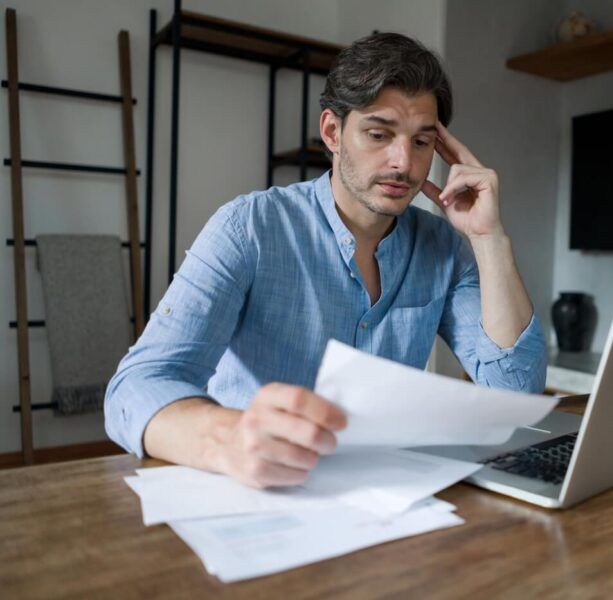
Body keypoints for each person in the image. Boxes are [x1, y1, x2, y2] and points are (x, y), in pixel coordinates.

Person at [105, 32, 546, 488]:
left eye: (422, 142)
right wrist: (230, 437)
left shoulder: (442, 245)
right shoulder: (249, 227)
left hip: (388, 497)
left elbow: (515, 394)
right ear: (333, 132)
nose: (403, 163)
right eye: (379, 134)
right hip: (261, 494)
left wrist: (489, 238)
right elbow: (136, 387)